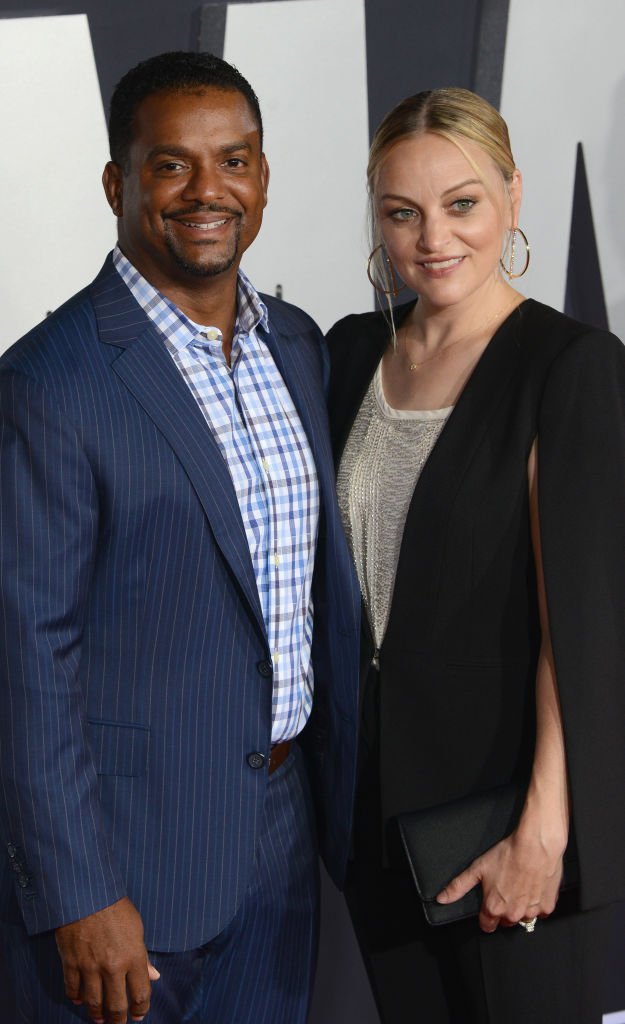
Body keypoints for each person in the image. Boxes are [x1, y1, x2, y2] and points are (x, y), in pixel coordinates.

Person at [0, 51, 360, 1024]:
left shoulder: (294, 346)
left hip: (275, 844)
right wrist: (79, 892)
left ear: (262, 175)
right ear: (116, 183)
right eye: (171, 164)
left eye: (234, 159)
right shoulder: (44, 392)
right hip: (120, 870)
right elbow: (19, 671)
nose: (207, 189)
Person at [327, 87, 625, 1023]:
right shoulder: (346, 356)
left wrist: (543, 830)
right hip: (375, 821)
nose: (432, 238)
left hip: (504, 822)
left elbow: (574, 621)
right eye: (401, 212)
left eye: (461, 204)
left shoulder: (567, 365)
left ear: (512, 197)